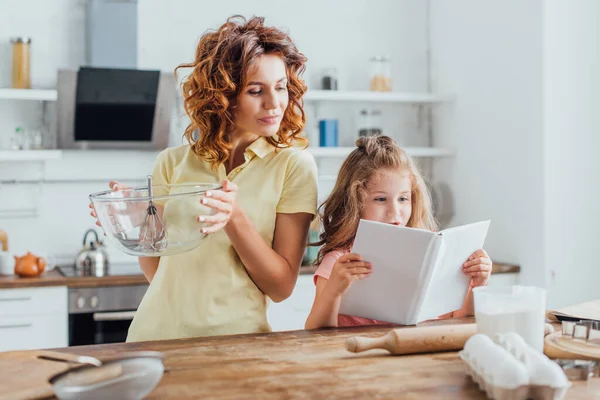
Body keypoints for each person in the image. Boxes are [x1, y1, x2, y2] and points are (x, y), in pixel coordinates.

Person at [91, 15, 318, 341]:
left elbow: (281, 287)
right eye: (256, 90)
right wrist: (140, 224)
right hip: (153, 339)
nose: (274, 103)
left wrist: (234, 218)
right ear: (222, 96)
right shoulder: (172, 162)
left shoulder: (294, 166)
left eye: (280, 87)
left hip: (236, 347)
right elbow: (158, 272)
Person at [304, 136, 491, 329]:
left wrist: (478, 284)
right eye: (380, 199)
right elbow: (314, 332)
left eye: (403, 199)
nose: (395, 212)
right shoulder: (339, 262)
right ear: (354, 203)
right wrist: (333, 290)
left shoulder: (429, 254)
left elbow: (457, 319)